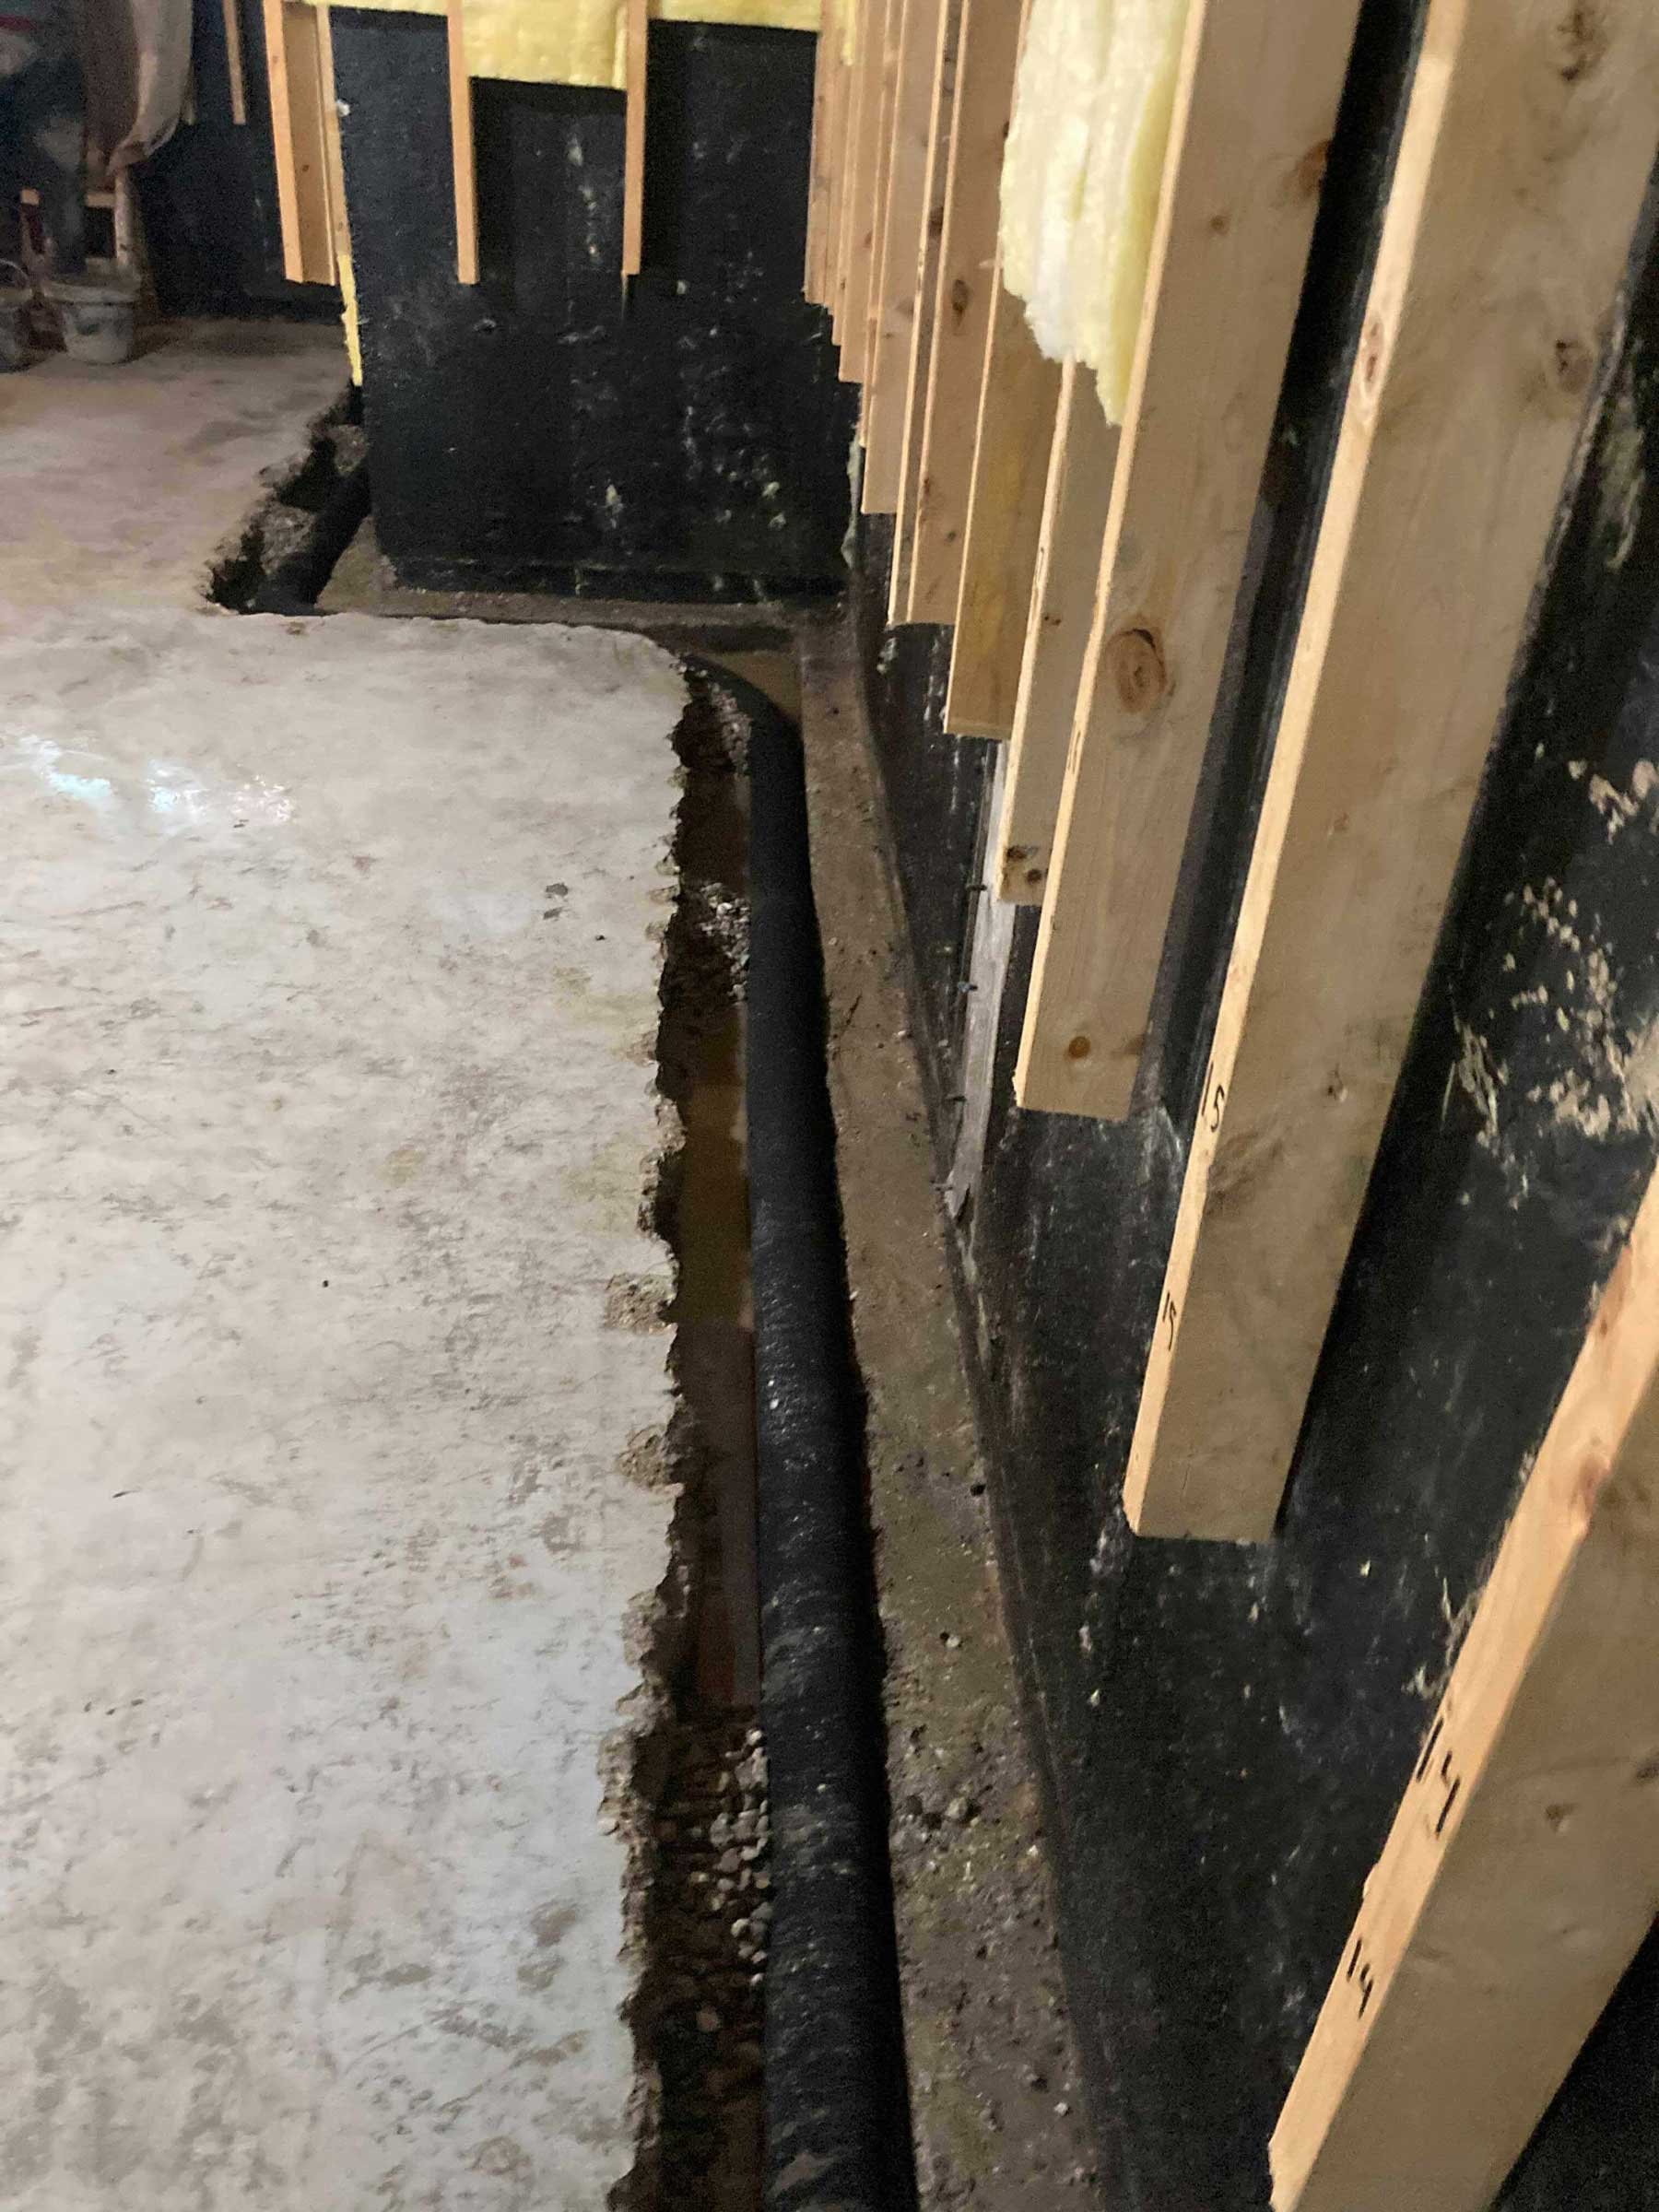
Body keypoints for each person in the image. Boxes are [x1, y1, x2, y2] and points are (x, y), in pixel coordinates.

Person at [0, 0, 87, 280]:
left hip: (48, 44)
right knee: (61, 183)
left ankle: (12, 278)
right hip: (51, 40)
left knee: (60, 182)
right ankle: (66, 283)